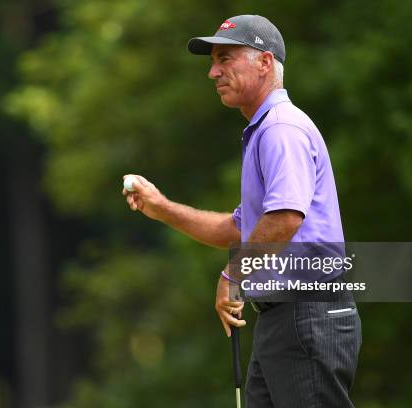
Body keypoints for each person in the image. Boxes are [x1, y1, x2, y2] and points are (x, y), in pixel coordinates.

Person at [122, 14, 362, 408]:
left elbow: (285, 219)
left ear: (264, 63)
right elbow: (239, 229)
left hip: (306, 315)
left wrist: (232, 275)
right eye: (213, 61)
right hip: (284, 320)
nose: (213, 72)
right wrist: (162, 208)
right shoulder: (264, 130)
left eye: (226, 59)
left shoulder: (281, 128)